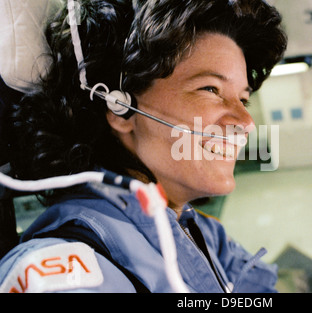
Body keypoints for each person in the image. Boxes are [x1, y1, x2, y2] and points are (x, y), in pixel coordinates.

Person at [0, 0, 287, 293]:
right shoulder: (62, 274)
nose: (246, 121)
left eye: (243, 99)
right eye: (210, 89)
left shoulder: (200, 231)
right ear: (119, 108)